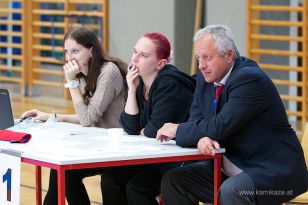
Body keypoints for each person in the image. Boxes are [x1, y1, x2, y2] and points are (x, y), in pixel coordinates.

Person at [156, 24, 307, 205]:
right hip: (233, 166)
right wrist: (200, 138)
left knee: (232, 191)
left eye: (207, 57)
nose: (201, 65)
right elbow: (196, 121)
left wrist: (178, 129)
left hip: (272, 173)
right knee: (174, 181)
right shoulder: (206, 79)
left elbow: (221, 125)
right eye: (198, 58)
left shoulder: (250, 79)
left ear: (229, 55)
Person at [20, 27, 127, 205]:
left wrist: (72, 83)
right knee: (62, 171)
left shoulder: (108, 73)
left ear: (91, 50)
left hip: (121, 148)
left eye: (75, 51)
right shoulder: (84, 75)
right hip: (102, 144)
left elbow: (87, 119)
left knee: (64, 171)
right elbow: (88, 115)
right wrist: (51, 116)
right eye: (66, 52)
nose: (70, 58)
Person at [101, 32, 196, 205]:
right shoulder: (139, 83)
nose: (135, 59)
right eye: (134, 52)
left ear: (160, 63)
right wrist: (131, 89)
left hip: (179, 157)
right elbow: (130, 127)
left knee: (136, 188)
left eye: (143, 55)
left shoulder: (170, 83)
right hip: (152, 154)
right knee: (110, 179)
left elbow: (154, 131)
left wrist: (142, 129)